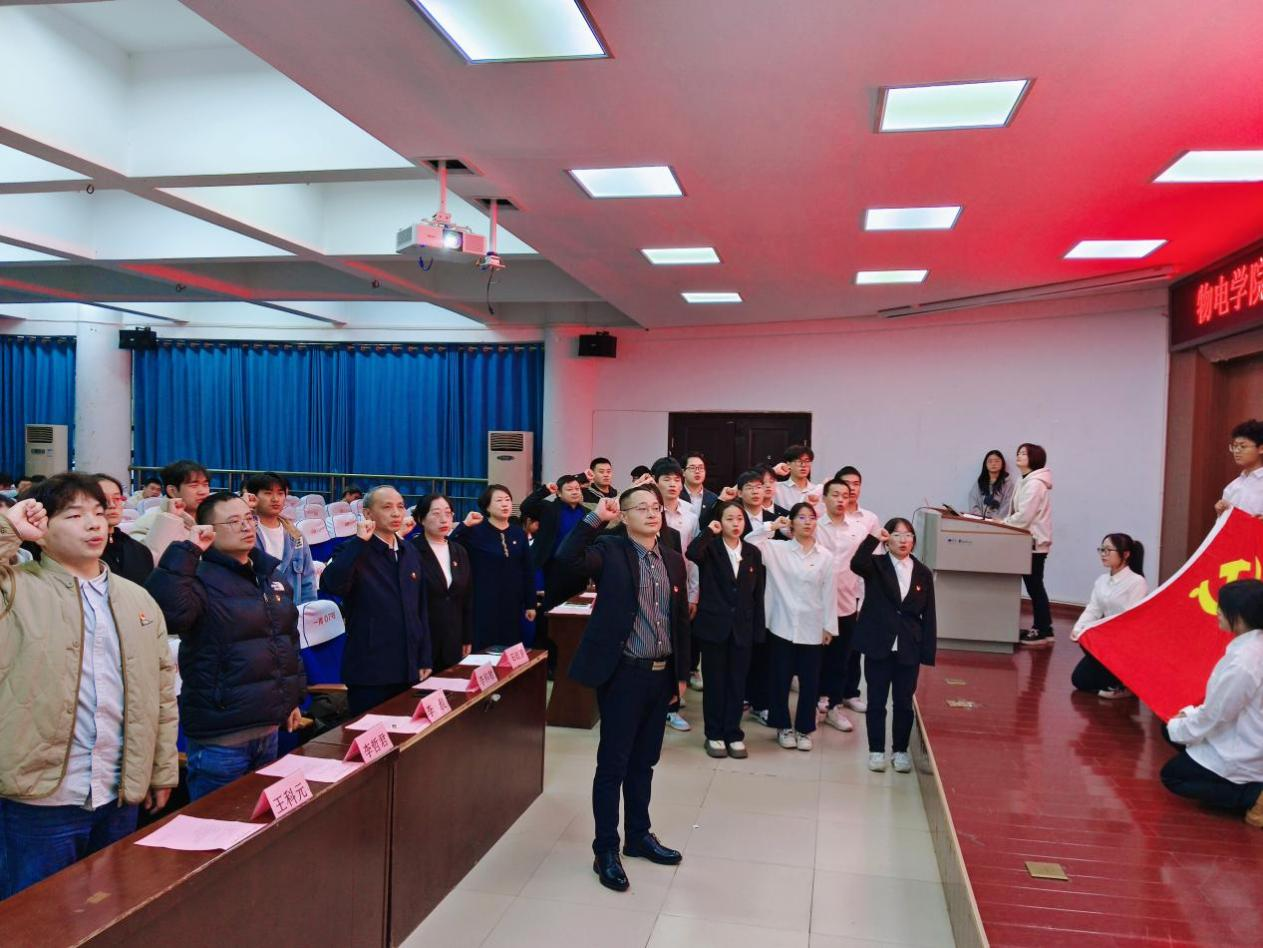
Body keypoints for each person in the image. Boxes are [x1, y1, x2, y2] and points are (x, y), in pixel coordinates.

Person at [0, 478, 177, 897]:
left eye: (99, 513)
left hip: (119, 792)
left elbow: (161, 694)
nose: (94, 524)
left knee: (109, 909)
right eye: (74, 515)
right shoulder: (15, 590)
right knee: (36, 914)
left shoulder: (137, 599)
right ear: (41, 528)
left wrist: (161, 769)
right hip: (40, 798)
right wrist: (9, 529)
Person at [556, 488, 688, 893]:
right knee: (613, 764)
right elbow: (566, 560)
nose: (651, 513)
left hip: (661, 675)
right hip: (624, 674)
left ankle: (638, 836)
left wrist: (680, 675)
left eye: (656, 508)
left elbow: (680, 620)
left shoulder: (671, 558)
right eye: (641, 508)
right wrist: (595, 517)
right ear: (624, 516)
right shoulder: (610, 550)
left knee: (644, 762)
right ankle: (606, 849)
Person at [144, 492, 305, 800]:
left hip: (268, 728)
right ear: (209, 530)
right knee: (217, 822)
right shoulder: (196, 579)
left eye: (249, 519)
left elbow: (286, 641)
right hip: (221, 738)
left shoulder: (268, 575)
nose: (246, 527)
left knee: (262, 820)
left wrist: (291, 699)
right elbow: (166, 614)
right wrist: (187, 550)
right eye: (233, 521)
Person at [320, 486, 432, 716]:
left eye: (400, 506)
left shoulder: (409, 551)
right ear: (368, 513)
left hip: (408, 666)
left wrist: (424, 657)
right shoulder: (352, 549)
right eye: (387, 507)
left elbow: (420, 609)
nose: (396, 513)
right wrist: (359, 542)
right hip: (370, 670)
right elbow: (332, 584)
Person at [1162, 578, 1263, 828]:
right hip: (1248, 734)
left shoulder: (1244, 662)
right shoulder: (1252, 647)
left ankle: (1253, 795)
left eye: (1223, 608)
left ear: (1241, 616)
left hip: (1245, 747)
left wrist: (1181, 722)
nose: (1217, 612)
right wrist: (1185, 719)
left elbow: (1217, 714)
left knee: (1172, 776)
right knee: (1170, 729)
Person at [747, 502, 836, 751]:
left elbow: (829, 593)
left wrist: (829, 626)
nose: (808, 522)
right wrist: (771, 526)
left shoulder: (825, 556)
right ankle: (783, 726)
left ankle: (805, 729)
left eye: (812, 518)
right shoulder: (777, 549)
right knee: (779, 679)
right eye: (802, 517)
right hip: (781, 624)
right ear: (792, 522)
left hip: (812, 627)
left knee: (810, 682)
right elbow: (749, 542)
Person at [851, 518, 937, 773]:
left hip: (909, 646)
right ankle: (876, 750)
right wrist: (873, 539)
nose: (903, 540)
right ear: (888, 539)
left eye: (908, 535)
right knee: (876, 700)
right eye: (897, 535)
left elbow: (929, 614)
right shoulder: (876, 565)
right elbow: (856, 563)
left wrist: (927, 651)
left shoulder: (922, 572)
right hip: (879, 643)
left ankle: (900, 751)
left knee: (903, 702)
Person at [687, 502, 765, 758]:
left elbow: (758, 595)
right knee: (715, 684)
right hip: (713, 628)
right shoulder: (710, 548)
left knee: (737, 684)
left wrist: (757, 631)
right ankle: (714, 734)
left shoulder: (752, 552)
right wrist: (709, 531)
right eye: (729, 518)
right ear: (720, 521)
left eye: (739, 518)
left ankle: (733, 733)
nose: (735, 523)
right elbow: (692, 552)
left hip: (742, 629)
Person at [449, 484, 535, 651]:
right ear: (487, 506)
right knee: (485, 647)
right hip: (483, 600)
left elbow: (527, 569)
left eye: (507, 500)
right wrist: (464, 525)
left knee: (510, 647)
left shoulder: (518, 533)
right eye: (499, 500)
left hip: (512, 601)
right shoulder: (475, 531)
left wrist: (530, 603)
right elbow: (451, 546)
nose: (505, 504)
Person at [1070, 534, 1148, 699]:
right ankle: (1115, 682)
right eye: (1101, 550)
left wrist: (1099, 631)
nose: (1103, 554)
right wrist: (1078, 629)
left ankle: (1123, 682)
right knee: (1078, 680)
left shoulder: (1137, 582)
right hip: (1106, 639)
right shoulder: (1102, 580)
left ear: (1125, 554)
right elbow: (1093, 609)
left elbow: (1129, 618)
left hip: (1124, 643)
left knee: (1093, 649)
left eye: (1108, 550)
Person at [815, 478, 864, 733]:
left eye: (845, 495)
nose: (841, 500)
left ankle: (833, 706)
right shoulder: (813, 525)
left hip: (846, 602)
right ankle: (814, 704)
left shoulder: (858, 529)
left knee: (840, 659)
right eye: (835, 494)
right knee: (815, 658)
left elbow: (864, 567)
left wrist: (862, 600)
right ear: (824, 498)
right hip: (816, 603)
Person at [832, 465, 881, 713]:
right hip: (830, 590)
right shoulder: (827, 516)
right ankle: (827, 696)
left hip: (857, 590)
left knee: (853, 645)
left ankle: (850, 693)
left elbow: (875, 559)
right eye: (846, 484)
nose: (851, 488)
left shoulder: (869, 519)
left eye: (856, 483)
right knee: (830, 647)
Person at [410, 494, 473, 672]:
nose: (444, 519)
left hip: (453, 638)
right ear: (421, 518)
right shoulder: (412, 551)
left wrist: (467, 637)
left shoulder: (459, 551)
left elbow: (467, 598)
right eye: (436, 514)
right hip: (423, 640)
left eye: (448, 513)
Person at [1004, 443, 1054, 646]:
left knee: (1035, 587)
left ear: (1034, 458)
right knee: (1035, 587)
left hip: (1034, 543)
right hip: (1026, 542)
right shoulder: (1024, 480)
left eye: (1023, 453)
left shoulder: (1035, 484)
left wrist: (1003, 523)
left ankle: (1043, 630)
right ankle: (1044, 628)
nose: (1019, 455)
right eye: (1018, 452)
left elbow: (1024, 517)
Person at [245, 472, 317, 605]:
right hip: (257, 609)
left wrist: (307, 611)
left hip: (292, 610)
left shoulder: (295, 535)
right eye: (268, 493)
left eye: (280, 493)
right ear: (253, 496)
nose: (275, 499)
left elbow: (308, 580)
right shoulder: (245, 532)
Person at [129, 460, 212, 558]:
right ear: (172, 491)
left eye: (205, 485)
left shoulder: (213, 516)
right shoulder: (150, 520)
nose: (203, 492)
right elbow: (143, 559)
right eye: (194, 486)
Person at [96, 473, 155, 585]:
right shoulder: (83, 552)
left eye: (117, 498)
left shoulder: (140, 550)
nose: (112, 505)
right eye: (102, 499)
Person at [1216, 419, 1263, 518]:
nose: (1237, 451)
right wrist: (1221, 514)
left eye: (1243, 446)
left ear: (1261, 449)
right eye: (1234, 446)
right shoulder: (1231, 487)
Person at [774, 444, 823, 514]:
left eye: (807, 461)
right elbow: (758, 485)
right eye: (799, 461)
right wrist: (773, 471)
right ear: (788, 464)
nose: (804, 465)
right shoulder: (777, 488)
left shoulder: (816, 490)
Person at [968, 449, 1015, 519]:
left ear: (1002, 464)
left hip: (997, 523)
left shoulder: (1008, 483)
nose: (993, 464)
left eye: (997, 461)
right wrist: (980, 518)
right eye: (990, 461)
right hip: (979, 522)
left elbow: (1008, 505)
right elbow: (973, 500)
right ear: (985, 464)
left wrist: (994, 520)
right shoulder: (980, 482)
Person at [680, 452, 719, 521]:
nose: (697, 471)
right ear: (683, 472)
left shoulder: (713, 498)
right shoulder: (676, 495)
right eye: (692, 468)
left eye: (701, 468)